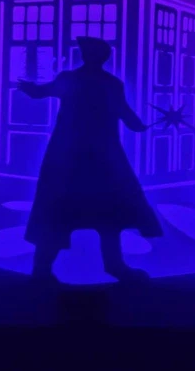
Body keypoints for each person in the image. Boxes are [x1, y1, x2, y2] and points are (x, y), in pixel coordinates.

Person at [18, 36, 162, 282]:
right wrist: (139, 125)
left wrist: (28, 87)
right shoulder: (111, 83)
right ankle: (114, 265)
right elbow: (125, 114)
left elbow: (40, 92)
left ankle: (42, 269)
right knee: (109, 212)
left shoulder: (70, 79)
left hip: (68, 154)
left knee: (58, 209)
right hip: (103, 155)